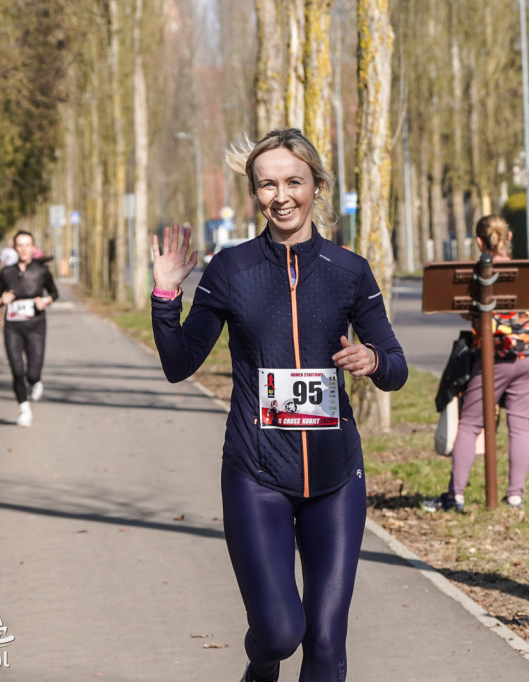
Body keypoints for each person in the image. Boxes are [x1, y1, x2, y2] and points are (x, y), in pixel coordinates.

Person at [150, 128, 407, 682]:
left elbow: (396, 365)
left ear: (317, 185)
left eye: (294, 181)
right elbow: (180, 363)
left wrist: (373, 361)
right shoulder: (230, 271)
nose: (282, 195)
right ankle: (259, 667)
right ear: (254, 194)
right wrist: (166, 296)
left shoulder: (349, 270)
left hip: (336, 477)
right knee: (279, 632)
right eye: (268, 185)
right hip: (256, 473)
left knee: (325, 643)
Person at [425, 215, 529, 513]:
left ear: (479, 242)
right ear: (509, 236)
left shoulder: (478, 275)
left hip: (497, 356)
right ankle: (515, 496)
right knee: (519, 425)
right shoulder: (527, 272)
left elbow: (469, 313)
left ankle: (456, 497)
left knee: (470, 424)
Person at [0, 230, 59, 427]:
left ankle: (36, 382)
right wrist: (1, 299)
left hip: (36, 326)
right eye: (19, 245)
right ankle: (24, 409)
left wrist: (45, 301)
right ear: (14, 248)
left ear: (33, 248)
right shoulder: (6, 272)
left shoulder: (41, 271)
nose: (23, 249)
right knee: (17, 370)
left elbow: (54, 293)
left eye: (27, 245)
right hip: (13, 327)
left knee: (33, 373)